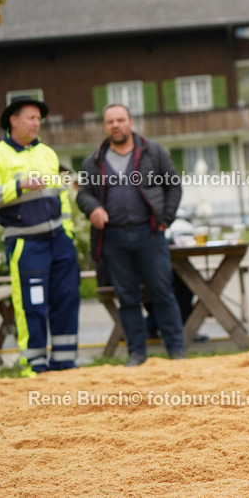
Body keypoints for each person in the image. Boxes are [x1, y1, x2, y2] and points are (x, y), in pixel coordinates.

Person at [77, 104, 185, 366]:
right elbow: (83, 194)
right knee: (127, 298)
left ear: (130, 122)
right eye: (110, 121)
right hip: (113, 238)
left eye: (120, 120)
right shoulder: (93, 161)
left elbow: (174, 186)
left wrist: (166, 220)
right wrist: (94, 208)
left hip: (149, 234)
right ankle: (136, 353)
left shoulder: (154, 152)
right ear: (105, 126)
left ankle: (177, 351)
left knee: (162, 292)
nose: (116, 125)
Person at [0, 95, 80, 375]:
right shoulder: (0, 154)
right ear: (14, 120)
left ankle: (65, 362)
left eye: (38, 119)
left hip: (60, 241)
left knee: (66, 298)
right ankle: (35, 365)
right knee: (31, 304)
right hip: (25, 243)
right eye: (31, 118)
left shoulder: (47, 152)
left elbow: (62, 198)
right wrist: (18, 185)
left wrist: (67, 234)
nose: (37, 123)